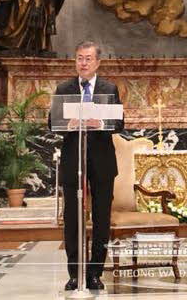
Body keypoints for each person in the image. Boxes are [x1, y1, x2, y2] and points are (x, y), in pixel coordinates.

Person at [49, 41, 124, 291]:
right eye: (79, 58)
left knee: (101, 219)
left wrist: (99, 122)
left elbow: (119, 123)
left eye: (88, 59)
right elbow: (52, 123)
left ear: (97, 62)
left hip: (102, 162)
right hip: (73, 161)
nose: (83, 63)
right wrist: (69, 123)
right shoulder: (64, 88)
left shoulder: (108, 88)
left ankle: (95, 273)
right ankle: (75, 273)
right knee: (72, 219)